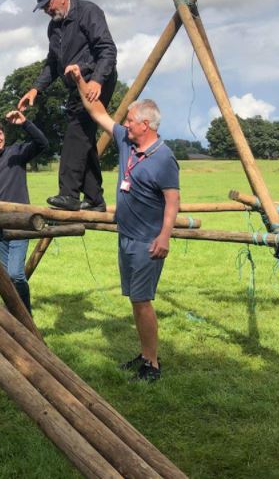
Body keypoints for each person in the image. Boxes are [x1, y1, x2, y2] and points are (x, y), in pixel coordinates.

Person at [65, 64, 179, 382]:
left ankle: (152, 364)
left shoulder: (164, 158)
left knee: (142, 302)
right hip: (126, 236)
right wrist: (80, 80)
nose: (125, 124)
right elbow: (97, 111)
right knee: (135, 300)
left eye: (130, 121)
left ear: (145, 125)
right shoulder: (127, 142)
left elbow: (172, 201)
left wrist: (165, 236)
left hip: (147, 242)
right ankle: (144, 354)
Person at [18, 0, 117, 213]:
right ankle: (94, 199)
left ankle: (69, 194)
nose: (46, 10)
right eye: (43, 7)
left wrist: (97, 80)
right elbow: (53, 63)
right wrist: (35, 89)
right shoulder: (53, 28)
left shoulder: (88, 12)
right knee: (83, 138)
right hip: (75, 86)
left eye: (48, 5)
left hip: (96, 80)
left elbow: (107, 49)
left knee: (76, 133)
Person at [0, 110, 49, 313]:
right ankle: (14, 315)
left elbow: (42, 143)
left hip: (20, 223)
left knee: (15, 274)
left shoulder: (16, 153)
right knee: (5, 277)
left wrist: (25, 123)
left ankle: (26, 317)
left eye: (0, 134)